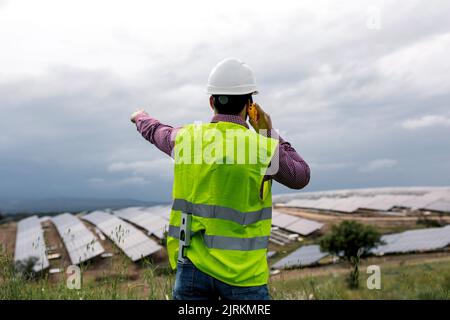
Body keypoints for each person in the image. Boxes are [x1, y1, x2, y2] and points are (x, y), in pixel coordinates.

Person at [131, 58, 310, 300]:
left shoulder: (186, 140)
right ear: (250, 105)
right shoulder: (263, 149)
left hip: (193, 268)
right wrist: (268, 132)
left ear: (211, 101)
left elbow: (156, 132)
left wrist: (140, 117)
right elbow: (301, 175)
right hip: (244, 275)